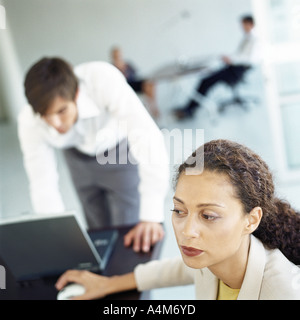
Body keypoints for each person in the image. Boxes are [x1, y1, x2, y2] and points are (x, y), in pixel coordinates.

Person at [55, 139, 300, 300]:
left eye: (208, 216)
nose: (187, 231)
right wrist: (109, 284)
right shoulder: (215, 258)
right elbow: (178, 270)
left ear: (251, 220)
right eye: (180, 211)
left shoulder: (281, 292)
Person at [18, 57, 169, 253]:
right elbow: (42, 181)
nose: (55, 124)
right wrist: (53, 234)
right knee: (99, 236)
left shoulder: (102, 79)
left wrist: (151, 214)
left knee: (130, 234)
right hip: (76, 156)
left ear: (77, 94)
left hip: (118, 152)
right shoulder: (29, 119)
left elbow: (146, 137)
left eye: (62, 111)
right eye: (46, 116)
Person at [174, 15, 260, 120]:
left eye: (243, 24)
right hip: (233, 67)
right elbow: (240, 55)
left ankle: (190, 110)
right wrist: (229, 58)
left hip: (237, 70)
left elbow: (249, 58)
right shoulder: (247, 37)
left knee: (206, 81)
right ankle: (190, 108)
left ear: (250, 24)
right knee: (206, 79)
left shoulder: (254, 39)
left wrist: (231, 59)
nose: (242, 27)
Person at [111, 46, 160, 119]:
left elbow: (135, 74)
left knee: (150, 83)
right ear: (113, 56)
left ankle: (153, 106)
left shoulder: (127, 64)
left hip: (133, 83)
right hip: (124, 86)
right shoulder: (111, 67)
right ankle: (151, 108)